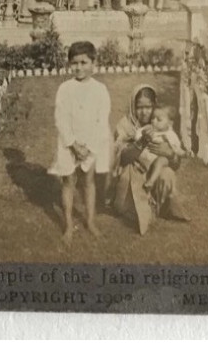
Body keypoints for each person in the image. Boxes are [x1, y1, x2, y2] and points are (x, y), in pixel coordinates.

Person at [51, 41, 113, 242]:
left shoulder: (100, 89)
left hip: (91, 144)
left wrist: (90, 147)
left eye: (84, 62)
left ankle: (90, 221)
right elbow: (61, 118)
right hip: (69, 144)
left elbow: (102, 120)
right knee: (68, 182)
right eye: (74, 63)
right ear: (69, 64)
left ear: (94, 63)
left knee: (88, 182)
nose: (79, 67)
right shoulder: (65, 88)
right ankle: (68, 225)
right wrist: (73, 144)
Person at [109, 86, 185, 234]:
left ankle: (157, 206)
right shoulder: (125, 125)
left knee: (168, 173)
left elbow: (176, 163)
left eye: (148, 107)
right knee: (125, 200)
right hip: (131, 170)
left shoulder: (161, 124)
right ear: (133, 106)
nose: (144, 112)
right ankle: (133, 207)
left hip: (153, 172)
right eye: (139, 107)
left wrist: (169, 153)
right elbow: (121, 158)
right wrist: (141, 143)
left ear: (154, 106)